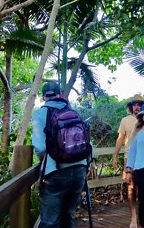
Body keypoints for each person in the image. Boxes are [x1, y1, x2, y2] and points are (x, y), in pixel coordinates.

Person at [31, 82, 89, 228]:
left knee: (50, 222)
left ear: (44, 97)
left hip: (55, 172)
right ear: (60, 95)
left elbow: (40, 147)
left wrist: (48, 161)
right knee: (67, 217)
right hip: (79, 171)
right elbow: (88, 143)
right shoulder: (74, 112)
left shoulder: (40, 114)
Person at [112, 95, 144, 228]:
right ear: (131, 107)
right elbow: (120, 139)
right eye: (135, 104)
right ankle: (133, 218)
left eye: (139, 104)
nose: (137, 107)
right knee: (131, 188)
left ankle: (143, 217)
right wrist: (115, 156)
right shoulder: (125, 120)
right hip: (129, 158)